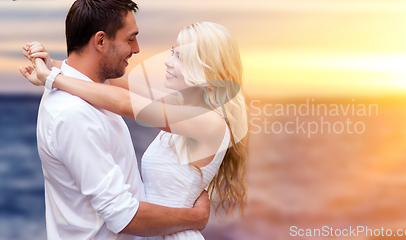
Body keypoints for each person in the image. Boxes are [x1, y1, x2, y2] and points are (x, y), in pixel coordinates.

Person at [21, 21, 249, 240]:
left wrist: (52, 78)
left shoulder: (209, 122)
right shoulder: (183, 109)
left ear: (204, 67)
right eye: (172, 52)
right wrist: (51, 64)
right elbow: (114, 84)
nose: (168, 62)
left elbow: (124, 103)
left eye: (179, 57)